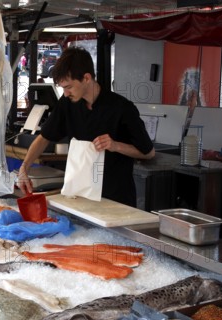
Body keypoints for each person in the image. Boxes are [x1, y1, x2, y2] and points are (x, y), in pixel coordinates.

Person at [17, 47, 155, 207]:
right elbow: (44, 137)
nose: (66, 93)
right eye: (63, 88)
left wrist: (115, 145)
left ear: (87, 78)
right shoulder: (67, 104)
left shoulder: (122, 108)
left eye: (69, 87)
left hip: (115, 201)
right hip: (79, 197)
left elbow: (148, 153)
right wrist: (24, 168)